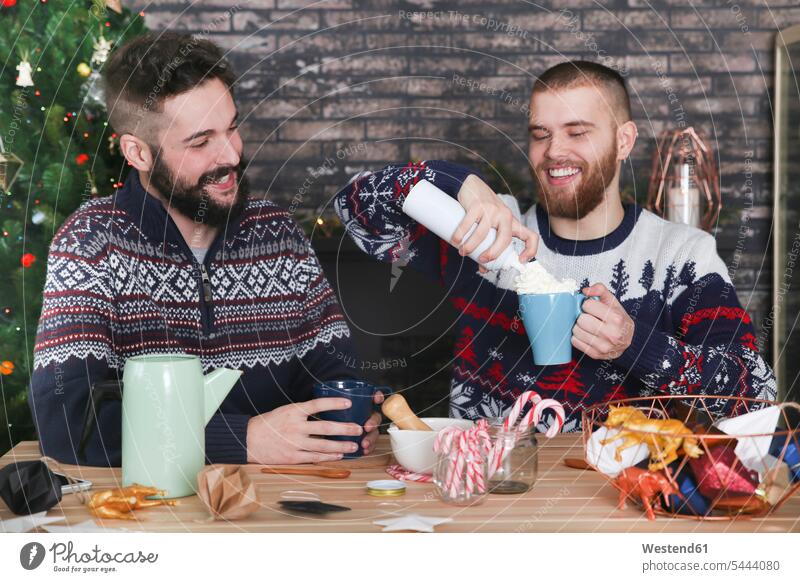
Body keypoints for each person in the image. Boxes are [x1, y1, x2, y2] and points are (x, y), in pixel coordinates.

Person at [334, 60, 776, 432]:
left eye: (577, 132)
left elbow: (756, 397)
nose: (553, 151)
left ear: (624, 141)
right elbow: (354, 208)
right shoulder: (486, 233)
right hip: (485, 490)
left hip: (617, 500)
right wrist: (461, 183)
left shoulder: (681, 255)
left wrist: (635, 345)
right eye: (540, 133)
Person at [29, 32, 384, 466]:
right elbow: (66, 423)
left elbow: (334, 373)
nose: (232, 155)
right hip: (151, 515)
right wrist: (243, 439)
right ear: (138, 153)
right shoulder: (89, 243)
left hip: (282, 507)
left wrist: (346, 419)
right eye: (201, 142)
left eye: (231, 127)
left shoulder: (279, 234)